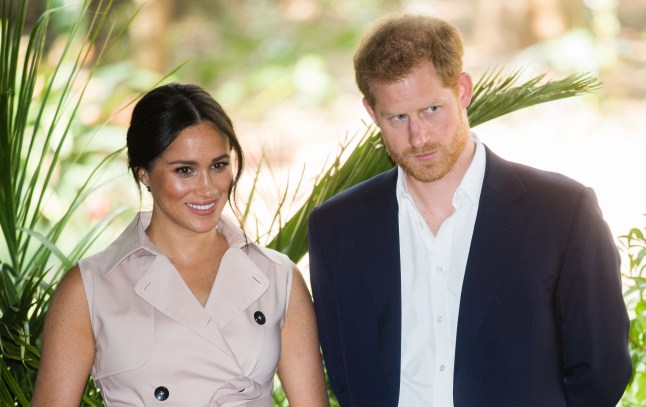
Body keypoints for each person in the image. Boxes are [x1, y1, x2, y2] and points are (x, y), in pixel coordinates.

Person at [307, 14, 631, 407]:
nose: (418, 137)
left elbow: (601, 369)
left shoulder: (563, 213)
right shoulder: (337, 228)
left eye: (431, 109)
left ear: (462, 90)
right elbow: (348, 374)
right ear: (372, 113)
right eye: (398, 117)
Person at [32, 83, 330, 407]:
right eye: (184, 171)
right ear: (143, 172)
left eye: (218, 165)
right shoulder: (89, 288)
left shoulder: (278, 278)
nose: (207, 188)